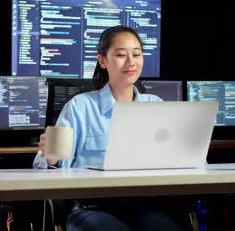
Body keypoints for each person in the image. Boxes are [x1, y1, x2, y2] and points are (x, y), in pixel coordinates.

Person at [33, 26, 188, 231]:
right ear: (102, 61)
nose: (131, 62)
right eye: (121, 55)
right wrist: (51, 159)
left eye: (137, 54)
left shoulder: (156, 104)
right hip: (92, 207)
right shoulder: (80, 106)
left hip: (147, 206)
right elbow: (42, 167)